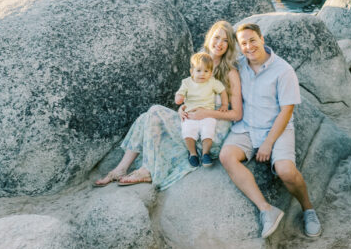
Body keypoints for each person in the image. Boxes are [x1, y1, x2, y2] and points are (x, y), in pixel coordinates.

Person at [95, 21, 243, 189]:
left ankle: (147, 169)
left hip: (212, 130)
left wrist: (206, 113)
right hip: (194, 120)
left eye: (225, 41)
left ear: (230, 45)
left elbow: (236, 114)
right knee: (146, 118)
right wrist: (182, 108)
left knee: (155, 111)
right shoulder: (200, 63)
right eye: (217, 37)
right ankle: (121, 169)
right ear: (209, 38)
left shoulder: (230, 72)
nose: (220, 43)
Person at [218, 22, 321, 239]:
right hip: (246, 127)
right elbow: (208, 69)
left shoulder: (283, 71)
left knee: (285, 171)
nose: (248, 46)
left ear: (262, 39)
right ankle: (267, 210)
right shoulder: (238, 66)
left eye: (252, 40)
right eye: (243, 43)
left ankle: (308, 209)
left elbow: (286, 111)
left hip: (277, 128)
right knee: (226, 156)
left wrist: (268, 143)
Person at [174, 52, 228, 167]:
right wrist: (179, 98)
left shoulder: (212, 82)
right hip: (190, 114)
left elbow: (223, 91)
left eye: (206, 71)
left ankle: (205, 154)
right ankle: (193, 153)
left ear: (211, 73)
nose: (202, 74)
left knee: (208, 132)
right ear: (191, 71)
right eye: (198, 70)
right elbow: (180, 94)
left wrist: (224, 104)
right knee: (188, 132)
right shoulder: (187, 82)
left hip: (207, 114)